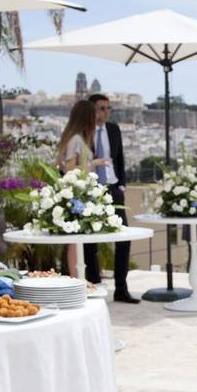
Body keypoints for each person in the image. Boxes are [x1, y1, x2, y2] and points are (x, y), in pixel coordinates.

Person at [82, 93, 139, 303]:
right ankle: (95, 286)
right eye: (102, 108)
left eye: (108, 108)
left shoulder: (114, 130)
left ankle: (121, 289)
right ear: (92, 110)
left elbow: (120, 158)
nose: (106, 112)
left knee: (124, 238)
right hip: (92, 191)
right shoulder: (83, 132)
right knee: (91, 242)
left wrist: (122, 185)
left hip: (114, 189)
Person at [55, 100, 111, 278]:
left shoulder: (77, 138)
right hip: (76, 196)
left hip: (79, 194)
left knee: (77, 243)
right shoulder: (76, 139)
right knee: (75, 243)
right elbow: (70, 169)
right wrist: (93, 163)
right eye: (94, 113)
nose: (97, 117)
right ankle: (76, 280)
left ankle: (79, 280)